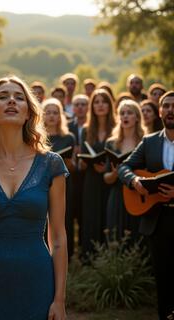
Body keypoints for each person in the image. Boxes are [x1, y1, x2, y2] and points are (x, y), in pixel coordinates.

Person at [0, 76, 68, 320]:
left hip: (38, 280)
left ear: (29, 112)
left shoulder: (51, 164)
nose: (11, 101)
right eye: (3, 96)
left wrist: (59, 300)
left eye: (19, 97)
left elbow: (58, 238)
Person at [118, 91, 174, 320]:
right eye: (166, 106)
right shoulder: (149, 141)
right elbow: (124, 167)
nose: (171, 110)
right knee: (162, 277)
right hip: (157, 220)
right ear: (159, 111)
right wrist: (134, 181)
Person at [79, 89, 116, 256]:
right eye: (96, 102)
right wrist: (84, 162)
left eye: (104, 101)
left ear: (110, 105)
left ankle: (110, 256)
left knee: (109, 217)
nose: (100, 105)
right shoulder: (86, 130)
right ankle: (90, 258)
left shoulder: (116, 128)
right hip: (91, 179)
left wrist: (107, 168)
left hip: (111, 180)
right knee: (91, 216)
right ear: (92, 106)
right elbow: (80, 162)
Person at [104, 100, 145, 240]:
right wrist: (116, 173)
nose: (125, 116)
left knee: (137, 237)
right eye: (122, 113)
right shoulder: (111, 143)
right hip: (117, 195)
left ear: (137, 117)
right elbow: (106, 178)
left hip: (138, 195)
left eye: (129, 113)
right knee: (116, 235)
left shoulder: (146, 141)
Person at [42, 98, 75, 258]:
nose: (51, 116)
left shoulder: (68, 138)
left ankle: (64, 256)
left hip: (62, 183)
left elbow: (73, 166)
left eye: (55, 112)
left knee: (62, 219)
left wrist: (67, 162)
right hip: (41, 184)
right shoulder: (37, 138)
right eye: (48, 112)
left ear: (60, 116)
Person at [68, 94, 89, 249]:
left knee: (85, 215)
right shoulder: (67, 127)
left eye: (83, 104)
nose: (80, 107)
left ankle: (84, 248)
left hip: (88, 176)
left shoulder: (92, 126)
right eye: (77, 104)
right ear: (73, 108)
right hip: (70, 176)